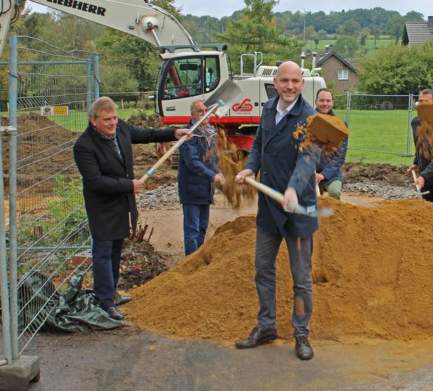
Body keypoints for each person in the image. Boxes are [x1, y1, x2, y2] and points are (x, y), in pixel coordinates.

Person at [233, 61, 320, 361]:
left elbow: (308, 159)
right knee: (263, 268)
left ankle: (301, 333)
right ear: (275, 82)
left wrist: (294, 188)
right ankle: (267, 326)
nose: (290, 86)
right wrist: (248, 168)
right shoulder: (269, 109)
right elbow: (258, 144)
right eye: (284, 80)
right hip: (269, 208)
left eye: (296, 81)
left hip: (297, 209)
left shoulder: (309, 117)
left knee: (301, 277)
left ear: (302, 83)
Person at [73, 97, 189, 320]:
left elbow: (147, 134)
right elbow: (95, 181)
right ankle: (105, 302)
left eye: (115, 118)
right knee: (103, 252)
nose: (112, 123)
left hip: (121, 203)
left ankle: (111, 293)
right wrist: (129, 185)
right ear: (93, 120)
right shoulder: (84, 146)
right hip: (102, 207)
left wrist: (174, 133)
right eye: (107, 119)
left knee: (116, 248)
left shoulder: (121, 129)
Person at [178, 100, 226, 255]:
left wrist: (219, 173)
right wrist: (213, 176)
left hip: (206, 189)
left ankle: (197, 258)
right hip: (191, 188)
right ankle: (190, 261)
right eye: (200, 111)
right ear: (192, 115)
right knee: (192, 228)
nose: (204, 113)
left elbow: (214, 159)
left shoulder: (211, 133)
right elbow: (192, 162)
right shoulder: (188, 135)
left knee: (203, 227)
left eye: (206, 110)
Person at [314, 88, 348, 200]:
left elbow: (339, 157)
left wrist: (323, 175)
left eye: (328, 101)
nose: (325, 104)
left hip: (331, 173)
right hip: (308, 172)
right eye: (322, 100)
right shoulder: (306, 121)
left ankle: (334, 216)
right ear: (316, 102)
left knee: (334, 192)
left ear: (332, 102)